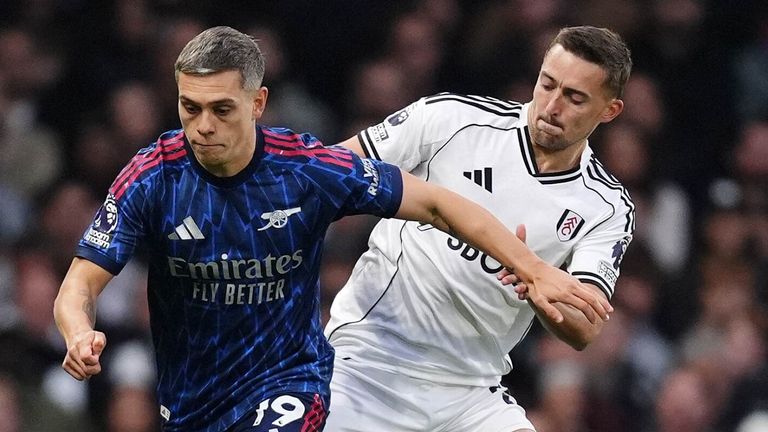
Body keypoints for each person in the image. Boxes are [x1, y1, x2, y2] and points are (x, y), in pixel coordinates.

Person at [52, 26, 610, 432]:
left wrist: (533, 271)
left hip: (318, 383)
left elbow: (438, 205)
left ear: (257, 102)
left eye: (221, 109)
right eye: (189, 107)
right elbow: (79, 284)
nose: (203, 126)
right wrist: (78, 333)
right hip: (292, 379)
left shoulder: (305, 172)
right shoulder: (152, 178)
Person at [324, 25, 635, 432]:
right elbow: (325, 172)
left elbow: (585, 328)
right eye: (547, 84)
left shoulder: (605, 207)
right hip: (369, 363)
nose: (552, 106)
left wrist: (542, 296)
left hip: (470, 393)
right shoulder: (452, 121)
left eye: (575, 97)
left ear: (609, 111)